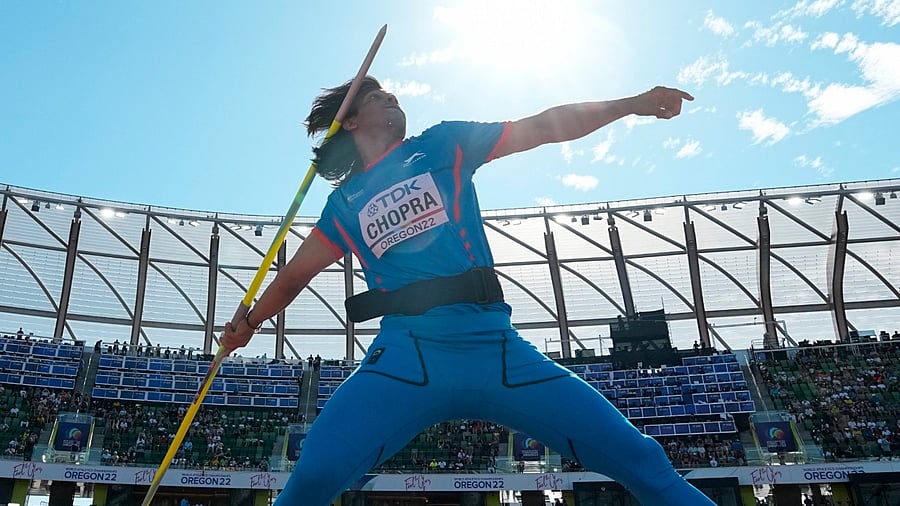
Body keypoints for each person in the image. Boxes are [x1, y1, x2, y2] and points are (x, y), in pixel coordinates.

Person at [222, 76, 712, 505]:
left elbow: (542, 125)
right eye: (376, 94)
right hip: (404, 359)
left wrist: (632, 103)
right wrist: (246, 325)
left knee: (642, 459)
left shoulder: (442, 143)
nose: (392, 95)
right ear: (349, 122)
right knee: (312, 476)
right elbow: (291, 278)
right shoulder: (344, 203)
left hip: (496, 351)